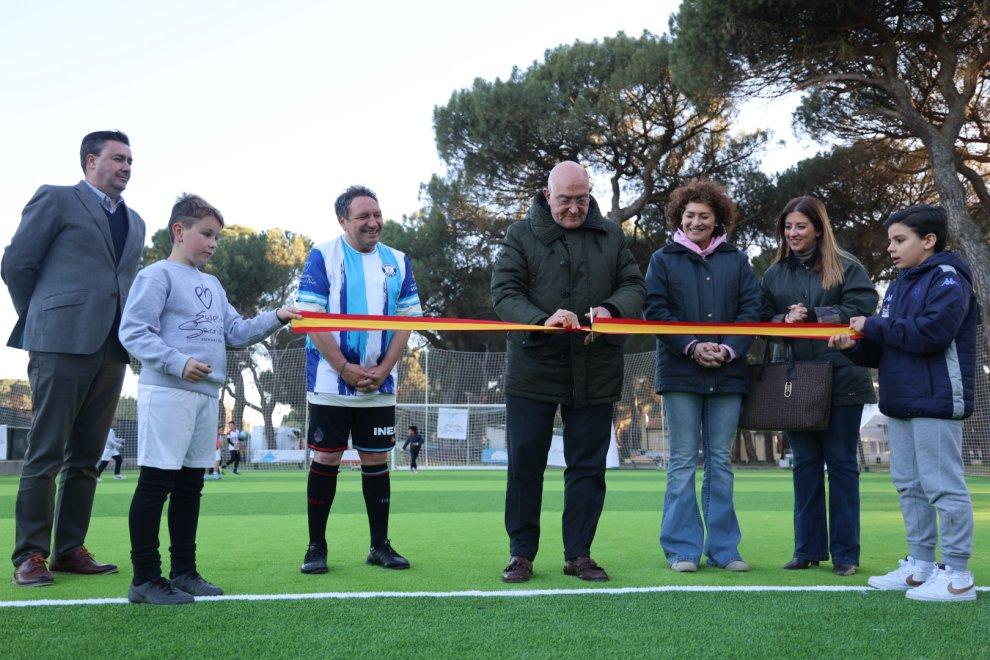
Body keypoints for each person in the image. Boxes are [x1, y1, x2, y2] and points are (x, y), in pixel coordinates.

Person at [119, 193, 300, 605]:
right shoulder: (157, 276)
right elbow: (132, 331)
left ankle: (184, 571)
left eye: (217, 236)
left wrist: (279, 316)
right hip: (167, 392)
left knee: (189, 487)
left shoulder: (212, 285)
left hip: (206, 396)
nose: (214, 243)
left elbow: (235, 332)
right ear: (179, 231)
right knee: (155, 485)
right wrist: (177, 361)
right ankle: (145, 578)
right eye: (206, 234)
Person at [491, 161, 645, 583]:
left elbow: (634, 286)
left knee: (588, 467)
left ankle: (579, 554)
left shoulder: (611, 235)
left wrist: (611, 310)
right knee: (525, 462)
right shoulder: (520, 235)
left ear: (589, 193)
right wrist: (542, 319)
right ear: (547, 194)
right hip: (532, 368)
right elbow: (504, 293)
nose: (574, 209)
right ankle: (521, 554)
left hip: (596, 366)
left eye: (581, 199)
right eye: (565, 200)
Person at [3, 130, 146, 587]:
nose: (127, 166)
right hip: (58, 341)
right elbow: (16, 265)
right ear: (90, 161)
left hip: (111, 348)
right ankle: (30, 555)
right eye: (118, 158)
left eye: (131, 161)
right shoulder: (57, 199)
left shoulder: (137, 221)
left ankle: (68, 550)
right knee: (45, 453)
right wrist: (43, 314)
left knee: (87, 458)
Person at [830, 204, 978, 602]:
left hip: (937, 401)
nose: (891, 249)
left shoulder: (948, 279)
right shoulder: (897, 285)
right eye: (890, 241)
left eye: (900, 240)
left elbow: (931, 333)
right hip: (900, 401)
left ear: (928, 241)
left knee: (942, 487)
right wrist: (852, 348)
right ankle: (920, 565)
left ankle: (958, 575)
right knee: (909, 487)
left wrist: (872, 325)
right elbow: (888, 347)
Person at [295, 185, 422, 575]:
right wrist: (344, 368)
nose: (373, 222)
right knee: (327, 458)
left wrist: (383, 369)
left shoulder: (398, 260)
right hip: (332, 385)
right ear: (343, 221)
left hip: (378, 385)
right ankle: (316, 546)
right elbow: (310, 318)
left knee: (376, 459)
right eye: (363, 216)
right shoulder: (323, 255)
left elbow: (406, 320)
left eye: (377, 214)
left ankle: (379, 545)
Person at [644, 179, 761, 573]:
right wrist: (693, 346)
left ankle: (725, 550)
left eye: (704, 216)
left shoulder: (737, 260)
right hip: (680, 374)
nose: (696, 221)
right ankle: (682, 550)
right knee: (681, 461)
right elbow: (656, 313)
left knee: (719, 462)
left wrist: (727, 349)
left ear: (717, 220)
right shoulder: (662, 259)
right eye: (690, 215)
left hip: (728, 375)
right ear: (680, 217)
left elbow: (751, 311)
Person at [760, 196, 878, 576]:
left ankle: (846, 555)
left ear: (818, 228)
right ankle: (807, 549)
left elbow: (863, 308)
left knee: (841, 464)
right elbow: (760, 317)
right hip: (795, 380)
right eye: (788, 227)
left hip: (842, 377)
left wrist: (817, 315)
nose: (793, 233)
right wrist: (783, 317)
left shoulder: (848, 267)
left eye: (801, 226)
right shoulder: (774, 274)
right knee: (805, 464)